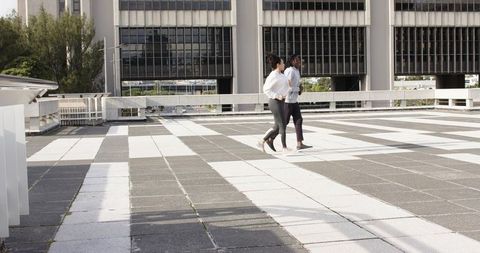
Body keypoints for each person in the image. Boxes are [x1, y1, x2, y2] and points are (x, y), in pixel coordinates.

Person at [258, 54, 290, 153]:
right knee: (282, 124)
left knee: (277, 126)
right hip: (275, 102)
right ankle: (284, 148)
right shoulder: (273, 76)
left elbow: (285, 86)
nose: (284, 64)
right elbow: (266, 89)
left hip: (281, 102)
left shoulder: (281, 74)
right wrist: (278, 96)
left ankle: (262, 141)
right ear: (278, 65)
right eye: (282, 63)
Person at [284, 54, 312, 150]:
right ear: (292, 61)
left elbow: (296, 85)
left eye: (299, 60)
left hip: (294, 101)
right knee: (284, 123)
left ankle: (299, 143)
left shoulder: (297, 71)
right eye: (297, 60)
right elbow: (287, 87)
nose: (299, 61)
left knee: (299, 120)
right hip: (287, 101)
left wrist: (300, 89)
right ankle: (270, 138)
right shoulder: (289, 71)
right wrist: (297, 89)